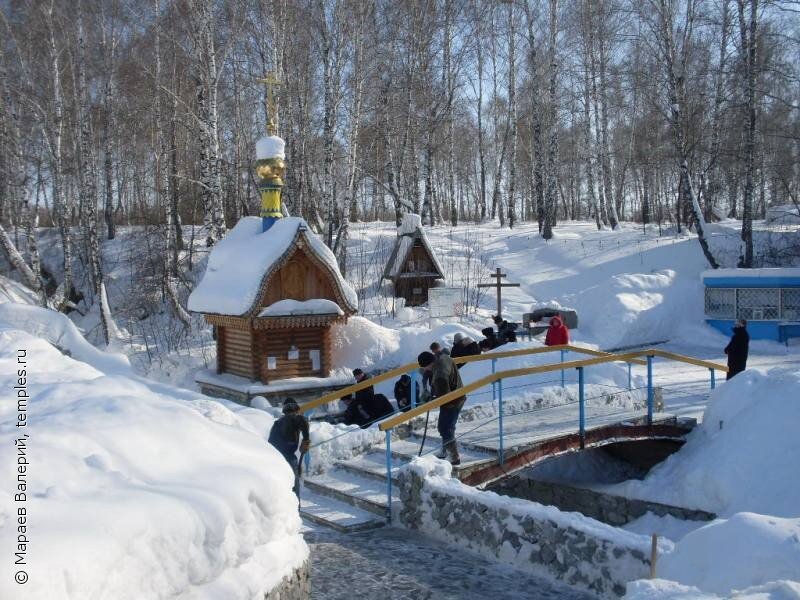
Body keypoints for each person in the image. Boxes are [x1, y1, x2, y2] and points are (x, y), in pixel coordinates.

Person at [418, 350, 466, 466]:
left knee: (445, 428)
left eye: (425, 368)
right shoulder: (442, 357)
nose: (426, 370)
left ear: (429, 364)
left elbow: (444, 397)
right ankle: (446, 451)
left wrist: (430, 399)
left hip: (452, 401)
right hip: (458, 394)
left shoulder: (440, 375)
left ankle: (454, 458)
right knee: (446, 426)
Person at [268, 398, 310, 498]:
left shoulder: (277, 423)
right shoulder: (294, 418)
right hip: (288, 458)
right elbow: (303, 421)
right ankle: (295, 511)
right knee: (293, 489)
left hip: (273, 458)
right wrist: (306, 440)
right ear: (295, 409)